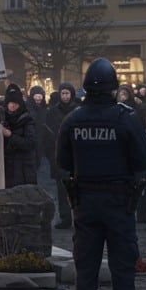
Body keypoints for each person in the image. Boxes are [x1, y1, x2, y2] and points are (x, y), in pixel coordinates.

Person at [56, 58, 146, 290]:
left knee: (85, 277)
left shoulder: (73, 120)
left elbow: (62, 161)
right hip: (119, 205)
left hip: (85, 204)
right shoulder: (126, 119)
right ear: (114, 89)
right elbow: (144, 161)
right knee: (124, 277)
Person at [45, 82, 80, 229]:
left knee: (78, 187)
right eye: (63, 93)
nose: (65, 96)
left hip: (77, 153)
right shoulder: (53, 112)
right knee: (62, 187)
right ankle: (65, 217)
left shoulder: (78, 110)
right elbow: (48, 132)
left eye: (67, 93)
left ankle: (79, 216)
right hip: (60, 152)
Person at [0, 85, 37, 186]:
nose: (12, 105)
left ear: (20, 104)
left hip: (23, 170)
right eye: (10, 102)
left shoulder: (27, 120)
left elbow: (29, 143)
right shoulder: (2, 119)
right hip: (8, 169)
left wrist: (10, 135)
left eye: (15, 103)